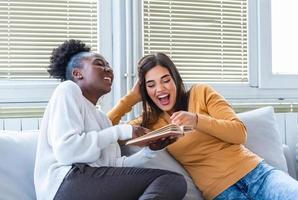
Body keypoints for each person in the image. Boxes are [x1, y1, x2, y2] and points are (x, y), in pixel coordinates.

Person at [108, 52, 298, 200]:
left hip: (258, 174)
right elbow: (102, 132)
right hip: (221, 191)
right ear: (146, 91)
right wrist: (130, 99)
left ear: (175, 79)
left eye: (166, 80)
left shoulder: (201, 93)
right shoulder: (149, 122)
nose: (160, 89)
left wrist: (197, 120)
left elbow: (239, 133)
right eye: (151, 85)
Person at [34, 41, 187, 200]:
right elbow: (67, 152)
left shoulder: (101, 118)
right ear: (77, 73)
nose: (108, 69)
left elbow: (115, 166)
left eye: (108, 65)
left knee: (172, 182)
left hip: (89, 182)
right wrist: (123, 130)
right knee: (170, 181)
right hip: (65, 183)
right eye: (99, 64)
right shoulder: (67, 90)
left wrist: (150, 151)